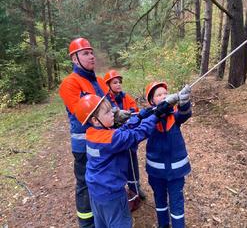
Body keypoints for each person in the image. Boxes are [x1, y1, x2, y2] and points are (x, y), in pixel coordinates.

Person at [74, 94, 172, 228]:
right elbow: (136, 134)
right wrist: (155, 117)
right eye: (107, 112)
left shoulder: (92, 133)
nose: (112, 114)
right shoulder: (111, 139)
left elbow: (120, 131)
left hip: (96, 192)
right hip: (112, 194)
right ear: (95, 120)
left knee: (102, 224)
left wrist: (139, 117)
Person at [59, 37, 109, 228]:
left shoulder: (100, 82)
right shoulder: (69, 84)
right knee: (85, 183)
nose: (91, 56)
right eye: (85, 53)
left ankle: (102, 216)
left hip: (104, 141)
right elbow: (82, 114)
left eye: (91, 52)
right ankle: (86, 222)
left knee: (103, 179)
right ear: (74, 59)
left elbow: (110, 108)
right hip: (83, 144)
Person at [144, 81, 192, 228]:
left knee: (176, 201)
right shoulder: (149, 117)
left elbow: (185, 114)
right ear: (152, 101)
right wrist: (158, 111)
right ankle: (163, 224)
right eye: (159, 95)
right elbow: (143, 122)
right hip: (156, 173)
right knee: (160, 200)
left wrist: (184, 102)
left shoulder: (174, 116)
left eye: (165, 93)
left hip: (176, 173)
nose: (164, 96)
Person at [104, 69, 146, 202]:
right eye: (115, 82)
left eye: (119, 82)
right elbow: (104, 115)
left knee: (132, 163)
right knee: (117, 164)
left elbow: (135, 109)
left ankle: (135, 188)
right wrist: (116, 115)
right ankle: (120, 192)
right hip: (114, 137)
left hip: (127, 135)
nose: (118, 85)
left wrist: (129, 114)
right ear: (108, 85)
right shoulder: (105, 100)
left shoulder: (125, 97)